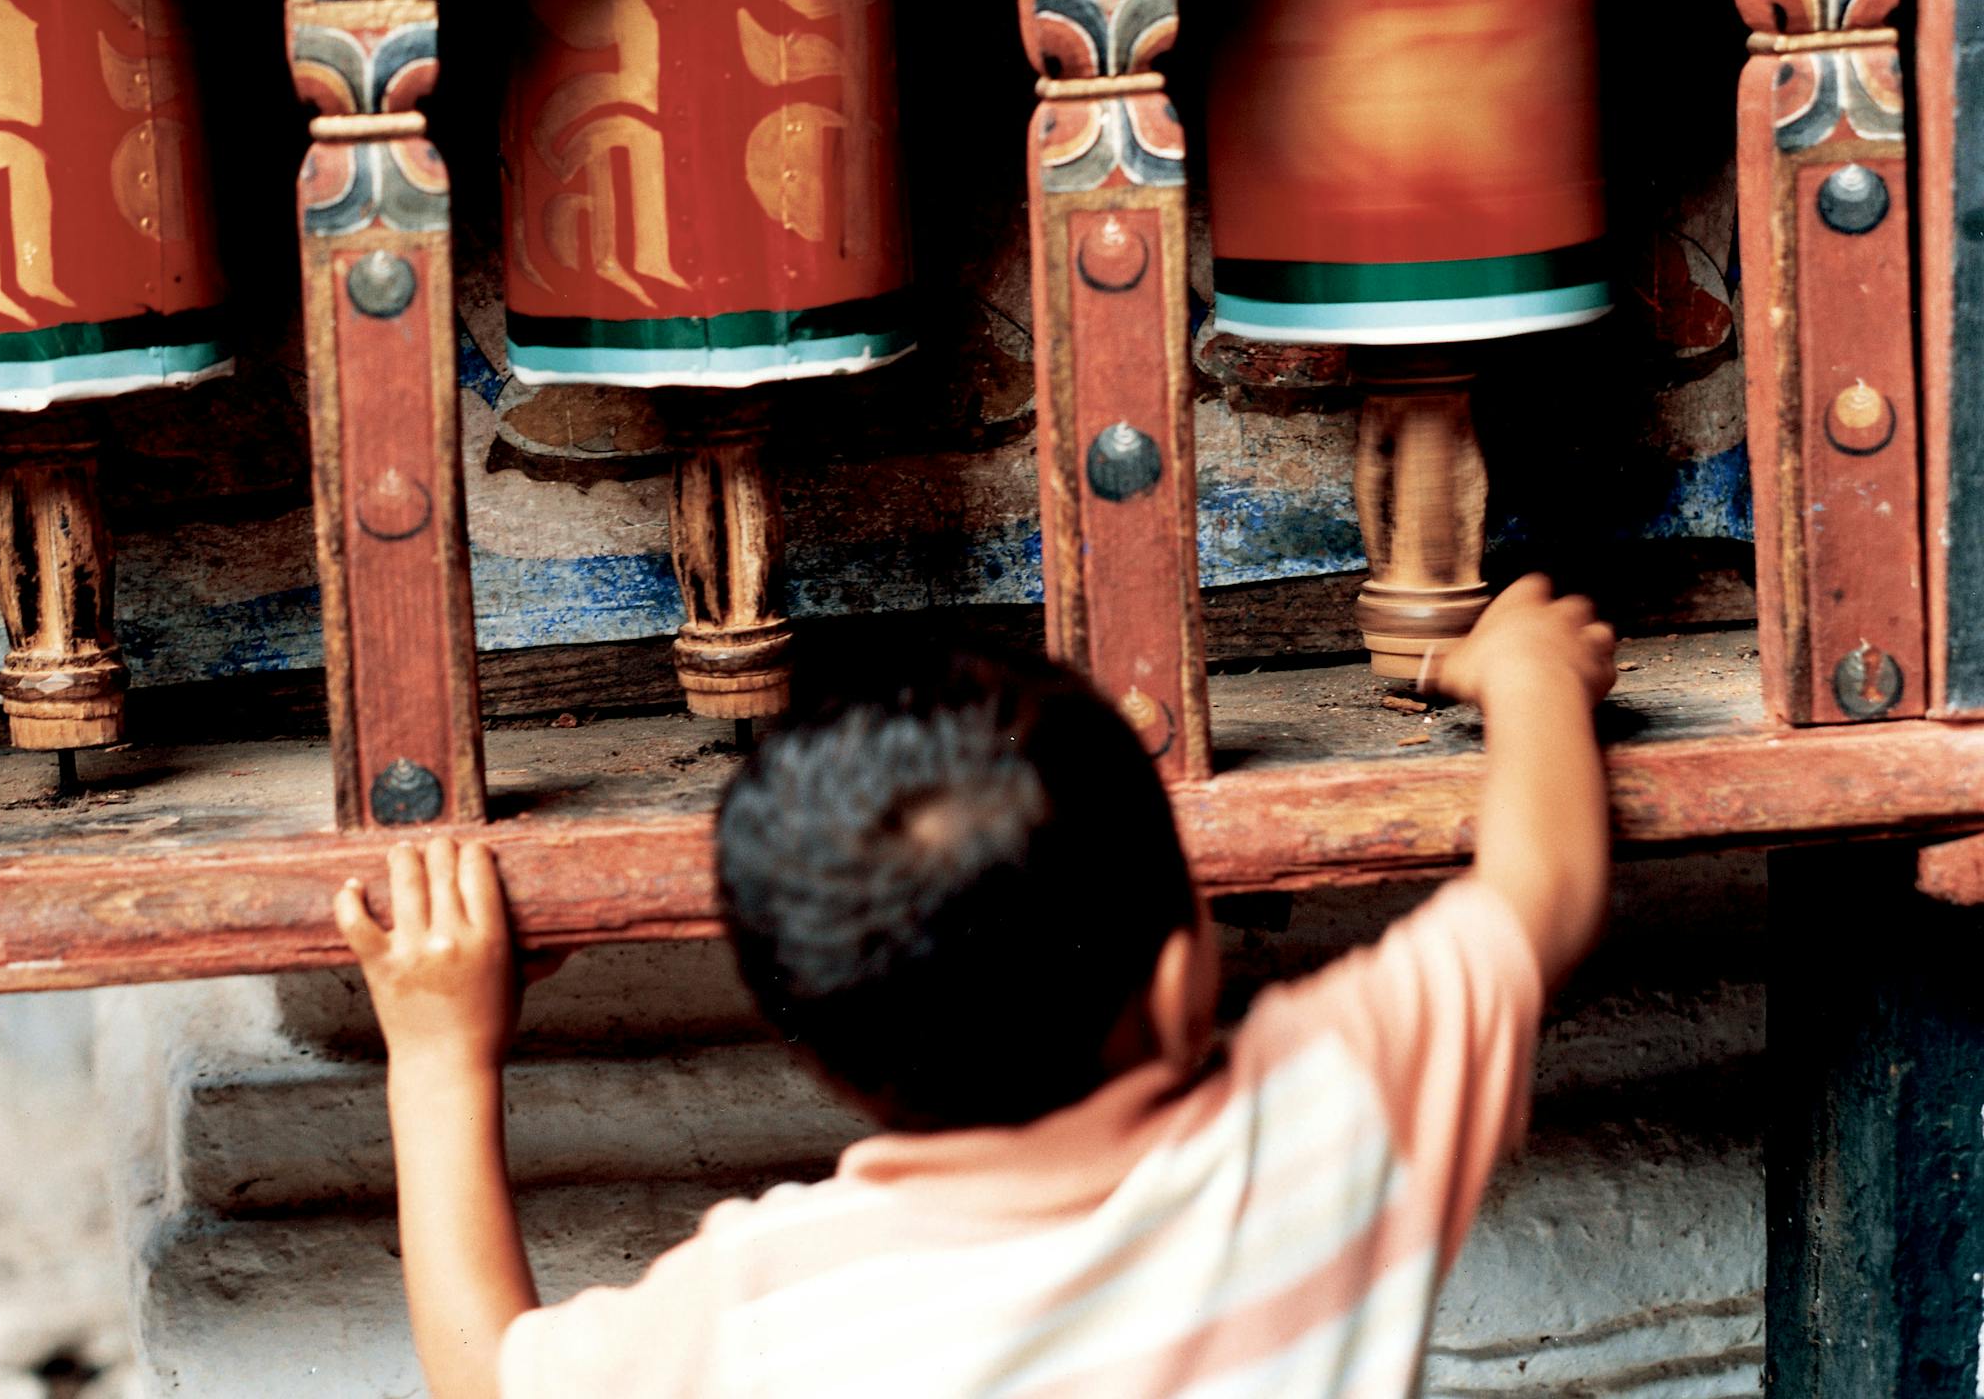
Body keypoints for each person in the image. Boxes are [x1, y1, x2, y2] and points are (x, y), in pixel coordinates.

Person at [336, 572, 1617, 1399]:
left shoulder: (772, 1311)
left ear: (813, 1042)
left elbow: (487, 1381)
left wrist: (443, 1051)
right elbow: (1541, 890)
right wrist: (1528, 673)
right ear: (1180, 986)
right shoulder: (1325, 1121)